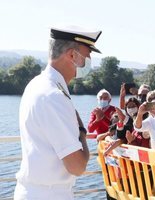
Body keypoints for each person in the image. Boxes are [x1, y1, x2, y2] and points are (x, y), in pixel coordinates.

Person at [14, 25, 102, 200]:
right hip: (49, 194)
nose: (89, 60)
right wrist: (82, 132)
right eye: (87, 56)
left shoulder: (37, 85)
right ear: (71, 55)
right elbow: (77, 166)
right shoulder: (53, 95)